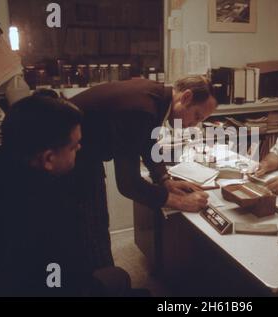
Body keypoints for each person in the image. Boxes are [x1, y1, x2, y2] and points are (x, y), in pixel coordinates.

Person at [0, 95, 132, 296]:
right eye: (73, 146)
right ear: (48, 159)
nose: (80, 148)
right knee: (119, 276)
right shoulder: (52, 214)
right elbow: (62, 285)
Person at [69, 76, 217, 272]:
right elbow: (128, 184)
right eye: (197, 116)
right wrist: (179, 201)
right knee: (91, 228)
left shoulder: (155, 97)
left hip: (83, 152)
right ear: (187, 97)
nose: (193, 125)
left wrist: (164, 180)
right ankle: (105, 285)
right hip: (69, 157)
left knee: (95, 224)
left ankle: (105, 280)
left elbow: (146, 142)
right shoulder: (141, 109)